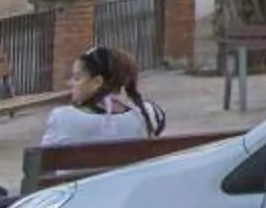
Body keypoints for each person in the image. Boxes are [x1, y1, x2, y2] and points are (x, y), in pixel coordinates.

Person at [39, 43, 170, 147]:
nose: (70, 83)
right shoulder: (147, 113)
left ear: (97, 82)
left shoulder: (61, 118)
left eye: (77, 78)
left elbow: (41, 165)